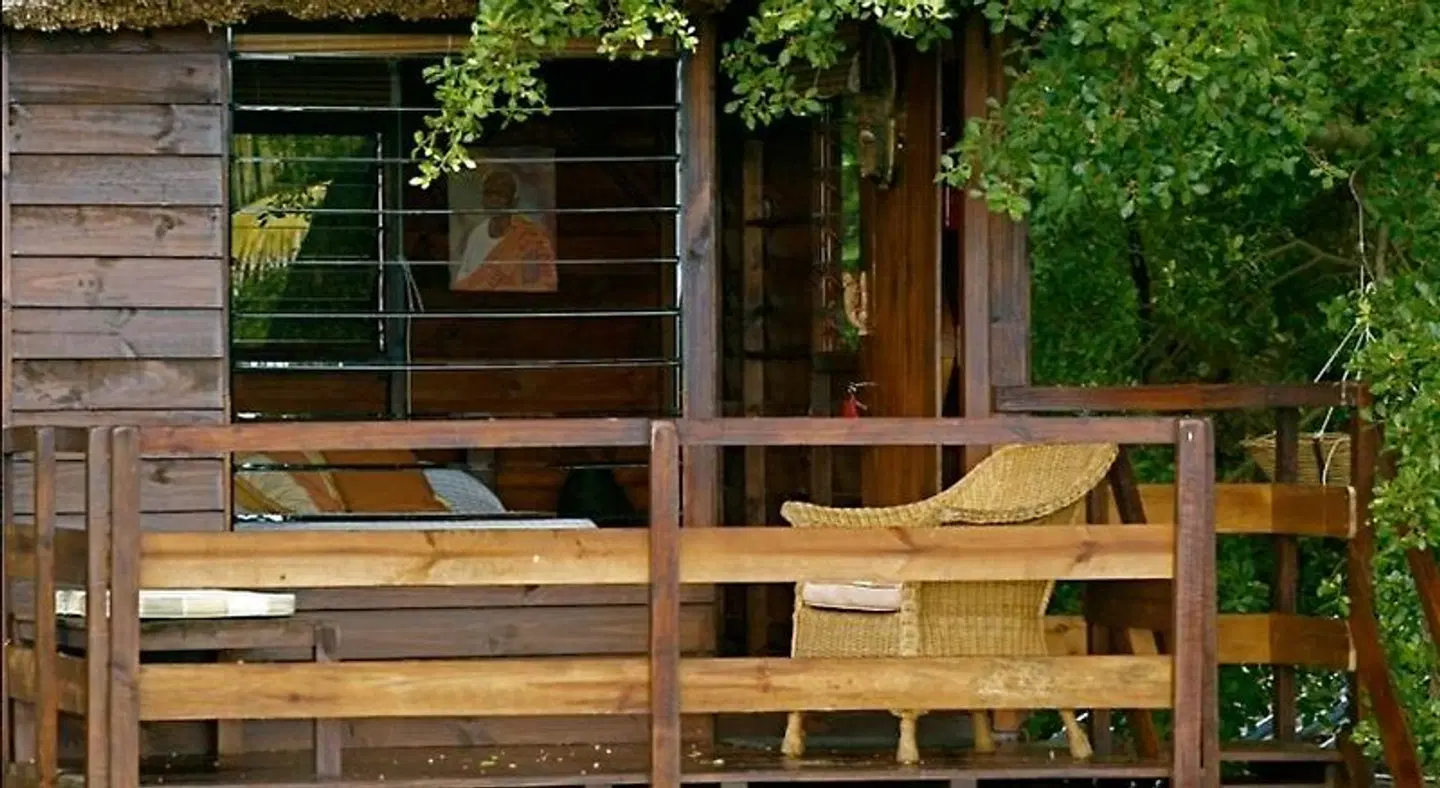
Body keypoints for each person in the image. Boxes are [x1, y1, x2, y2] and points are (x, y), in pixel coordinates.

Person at [453, 167, 557, 292]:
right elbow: (462, 283)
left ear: (514, 202)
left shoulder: (530, 238)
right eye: (489, 193)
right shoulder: (477, 235)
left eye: (501, 194)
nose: (493, 200)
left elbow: (541, 285)